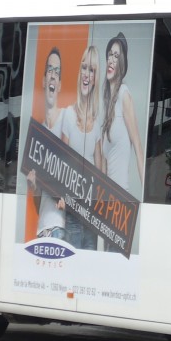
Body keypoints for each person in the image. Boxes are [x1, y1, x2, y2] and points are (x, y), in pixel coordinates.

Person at [60, 44, 101, 249]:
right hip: (74, 204)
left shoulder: (98, 118)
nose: (87, 74)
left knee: (90, 263)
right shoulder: (68, 114)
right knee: (72, 260)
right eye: (84, 68)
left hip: (92, 208)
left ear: (95, 77)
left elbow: (100, 167)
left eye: (91, 70)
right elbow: (62, 161)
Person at [97, 32, 144, 197]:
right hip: (107, 202)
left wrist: (147, 197)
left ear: (121, 63)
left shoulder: (124, 94)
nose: (111, 59)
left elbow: (138, 146)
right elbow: (103, 167)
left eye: (116, 56)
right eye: (110, 54)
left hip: (120, 201)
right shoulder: (107, 106)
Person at [27, 47, 67, 241]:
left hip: (61, 229)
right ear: (43, 81)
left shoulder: (68, 122)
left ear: (59, 85)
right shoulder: (38, 136)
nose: (53, 76)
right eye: (50, 70)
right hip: (42, 229)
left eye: (57, 72)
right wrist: (34, 186)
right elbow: (38, 204)